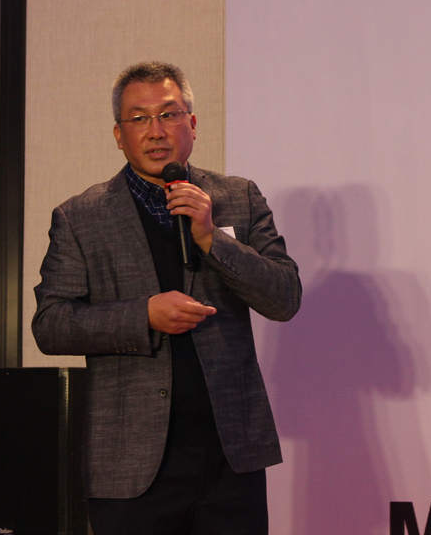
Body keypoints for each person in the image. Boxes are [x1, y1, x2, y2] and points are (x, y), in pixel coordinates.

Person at [32, 61, 301, 535]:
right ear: (119, 135)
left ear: (192, 124)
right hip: (131, 463)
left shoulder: (238, 198)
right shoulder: (81, 217)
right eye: (139, 118)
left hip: (229, 458)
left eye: (169, 114)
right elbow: (51, 324)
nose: (156, 131)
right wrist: (143, 316)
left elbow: (284, 298)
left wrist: (212, 239)